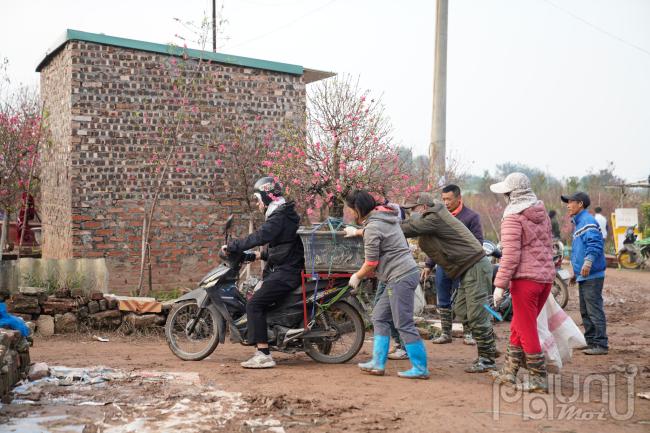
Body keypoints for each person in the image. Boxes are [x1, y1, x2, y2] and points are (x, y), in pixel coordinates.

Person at [400, 195, 497, 373]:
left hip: (474, 265)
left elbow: (410, 228)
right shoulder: (435, 216)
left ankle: (487, 358)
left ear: (422, 207)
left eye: (412, 209)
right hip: (467, 268)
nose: (410, 213)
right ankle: (489, 345)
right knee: (461, 310)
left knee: (476, 314)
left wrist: (381, 225)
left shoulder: (434, 217)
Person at [345, 190, 429, 379]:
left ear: (358, 209)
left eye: (350, 209)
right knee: (379, 316)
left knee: (403, 322)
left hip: (401, 276)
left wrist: (357, 276)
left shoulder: (374, 226)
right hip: (399, 274)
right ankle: (377, 362)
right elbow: (373, 231)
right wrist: (357, 231)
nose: (350, 213)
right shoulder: (384, 217)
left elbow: (371, 263)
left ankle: (421, 367)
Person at [222, 177, 305, 369]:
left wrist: (235, 245)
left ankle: (264, 354)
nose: (258, 203)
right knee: (257, 295)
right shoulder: (282, 213)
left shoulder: (279, 216)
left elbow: (262, 236)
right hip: (286, 267)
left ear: (267, 196)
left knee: (254, 304)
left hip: (286, 272)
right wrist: (259, 255)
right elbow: (284, 247)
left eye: (258, 198)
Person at [489, 172, 556, 393]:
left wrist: (499, 285)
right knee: (519, 324)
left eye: (506, 193)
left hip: (525, 281)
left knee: (526, 329)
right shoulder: (541, 213)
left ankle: (538, 378)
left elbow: (510, 256)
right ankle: (509, 371)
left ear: (511, 195)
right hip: (545, 278)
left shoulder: (513, 218)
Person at [417, 186, 483, 346]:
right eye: (443, 199)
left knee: (465, 299)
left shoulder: (471, 217)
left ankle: (468, 333)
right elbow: (434, 242)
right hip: (443, 265)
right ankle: (446, 333)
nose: (445, 203)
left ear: (459, 198)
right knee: (443, 299)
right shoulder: (440, 216)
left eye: (449, 199)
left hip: (463, 266)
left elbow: (478, 243)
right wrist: (428, 264)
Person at [562, 192, 608, 355]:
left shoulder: (587, 221)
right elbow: (579, 251)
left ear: (580, 204)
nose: (568, 205)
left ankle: (601, 344)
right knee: (585, 310)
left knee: (594, 309)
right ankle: (591, 341)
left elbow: (595, 244)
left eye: (570, 202)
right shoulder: (579, 223)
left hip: (592, 275)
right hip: (584, 275)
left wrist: (588, 263)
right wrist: (576, 272)